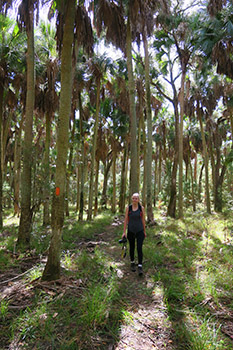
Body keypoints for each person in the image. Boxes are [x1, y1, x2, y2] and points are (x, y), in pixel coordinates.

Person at [122, 193, 146, 276]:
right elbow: (125, 220)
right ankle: (132, 262)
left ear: (138, 199)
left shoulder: (141, 208)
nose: (134, 200)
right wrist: (124, 232)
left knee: (139, 248)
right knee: (131, 247)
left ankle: (140, 266)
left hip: (140, 231)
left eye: (136, 198)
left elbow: (143, 220)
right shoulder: (128, 208)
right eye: (133, 198)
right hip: (131, 231)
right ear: (131, 199)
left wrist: (144, 231)